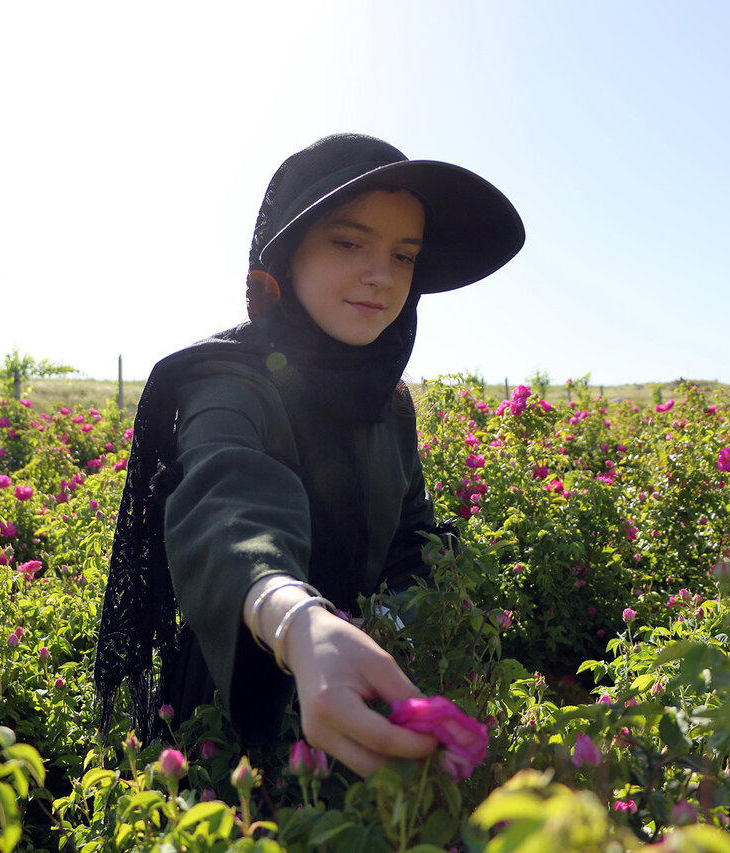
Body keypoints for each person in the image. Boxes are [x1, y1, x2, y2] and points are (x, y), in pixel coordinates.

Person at [93, 133, 523, 778]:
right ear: (286, 257)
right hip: (236, 692)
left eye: (404, 256)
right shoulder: (227, 380)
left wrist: (419, 621)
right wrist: (296, 618)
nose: (381, 275)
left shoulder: (387, 403)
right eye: (348, 243)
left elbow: (411, 536)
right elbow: (225, 503)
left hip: (366, 684)